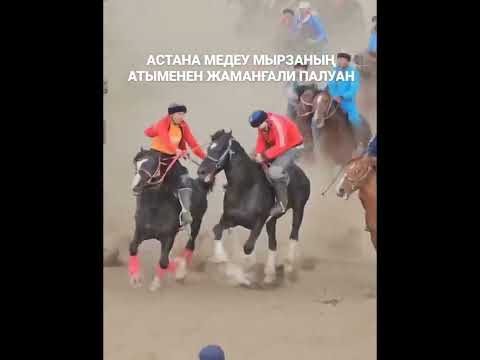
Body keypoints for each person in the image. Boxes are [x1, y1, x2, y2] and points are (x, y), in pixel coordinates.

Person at [144, 103, 206, 225]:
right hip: (157, 155)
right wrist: (176, 150)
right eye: (179, 114)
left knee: (184, 176)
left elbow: (193, 143)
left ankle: (185, 211)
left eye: (183, 114)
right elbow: (165, 139)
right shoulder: (162, 123)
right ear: (171, 114)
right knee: (148, 175)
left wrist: (205, 157)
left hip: (172, 157)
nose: (181, 116)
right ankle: (144, 207)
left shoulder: (183, 125)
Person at [249, 110, 304, 217]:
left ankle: (282, 204)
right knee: (252, 157)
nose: (259, 128)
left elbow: (281, 146)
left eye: (260, 125)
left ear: (266, 120)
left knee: (274, 172)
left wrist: (264, 156)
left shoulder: (277, 124)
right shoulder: (262, 125)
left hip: (294, 147)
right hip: (277, 146)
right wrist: (258, 154)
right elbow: (261, 142)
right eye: (257, 126)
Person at [327, 52, 364, 152]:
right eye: (339, 59)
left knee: (354, 119)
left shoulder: (353, 72)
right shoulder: (335, 71)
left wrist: (343, 96)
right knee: (319, 115)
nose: (340, 61)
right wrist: (334, 95)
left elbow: (354, 88)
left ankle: (360, 142)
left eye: (343, 59)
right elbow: (331, 84)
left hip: (347, 102)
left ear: (347, 61)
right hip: (334, 100)